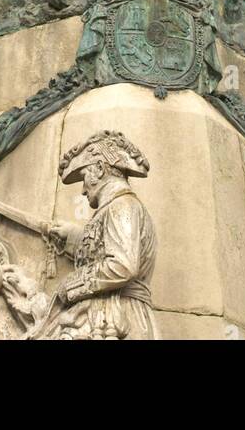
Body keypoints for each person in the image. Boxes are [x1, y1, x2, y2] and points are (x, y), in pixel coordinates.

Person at [33, 130, 158, 341]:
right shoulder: (115, 208)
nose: (82, 190)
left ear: (99, 169)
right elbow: (104, 246)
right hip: (106, 316)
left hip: (117, 319)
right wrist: (73, 237)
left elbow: (122, 265)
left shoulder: (122, 206)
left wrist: (72, 283)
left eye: (84, 178)